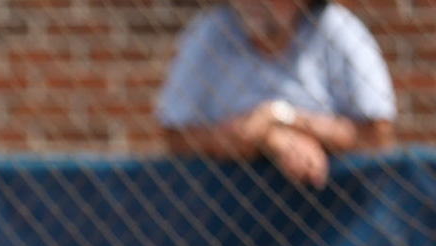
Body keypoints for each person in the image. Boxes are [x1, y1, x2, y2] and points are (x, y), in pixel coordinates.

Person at [158, 1, 396, 190]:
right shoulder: (212, 31)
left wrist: (282, 117)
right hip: (225, 218)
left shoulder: (340, 30)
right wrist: (270, 139)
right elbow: (175, 133)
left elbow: (377, 135)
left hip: (335, 219)